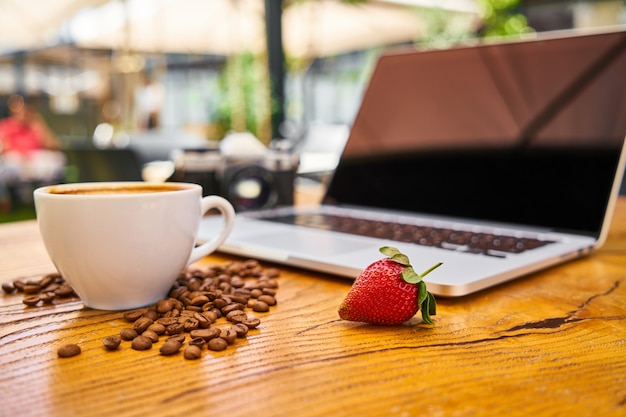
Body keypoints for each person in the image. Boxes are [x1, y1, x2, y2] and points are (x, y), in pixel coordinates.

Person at [0, 94, 65, 185]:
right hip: (18, 161)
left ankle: (44, 192)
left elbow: (54, 145)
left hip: (35, 161)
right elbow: (5, 147)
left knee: (58, 158)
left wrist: (40, 125)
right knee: (13, 161)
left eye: (27, 108)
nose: (24, 111)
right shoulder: (6, 125)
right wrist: (23, 154)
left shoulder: (35, 125)